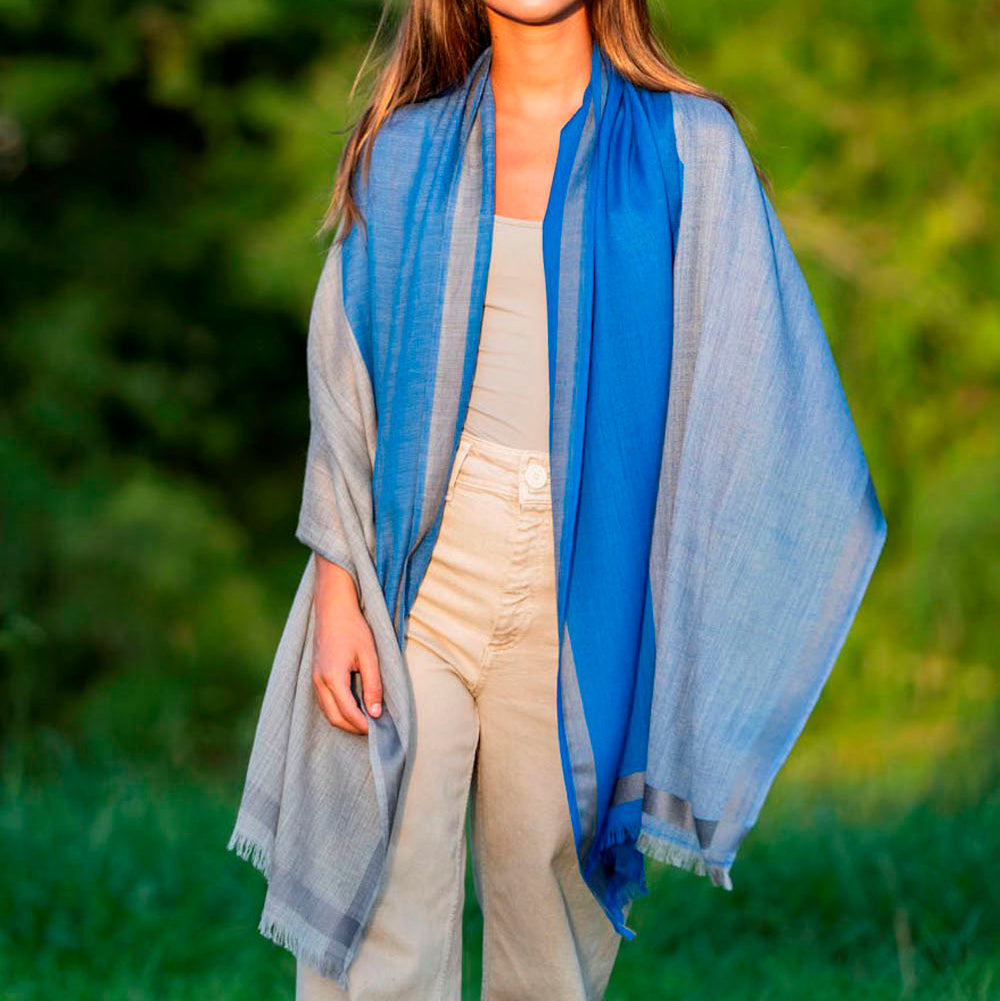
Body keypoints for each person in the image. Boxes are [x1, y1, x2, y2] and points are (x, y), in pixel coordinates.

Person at [226, 1, 888, 998]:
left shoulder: (686, 146)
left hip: (582, 586)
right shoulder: (404, 150)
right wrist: (333, 587)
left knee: (548, 917)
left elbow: (753, 371)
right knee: (385, 893)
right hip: (417, 572)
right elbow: (344, 379)